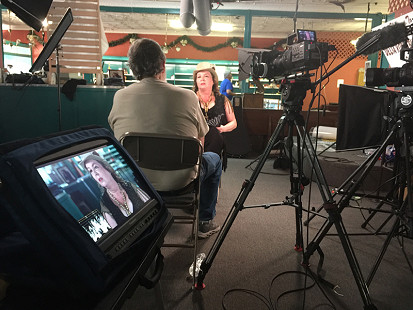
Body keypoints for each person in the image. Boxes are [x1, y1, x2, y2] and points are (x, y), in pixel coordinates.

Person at [108, 38, 222, 238]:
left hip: (137, 182)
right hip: (181, 181)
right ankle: (205, 221)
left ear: (132, 67)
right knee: (215, 160)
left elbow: (117, 138)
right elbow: (200, 143)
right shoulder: (188, 97)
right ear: (162, 65)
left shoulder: (120, 96)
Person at [82, 152, 150, 228]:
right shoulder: (104, 203)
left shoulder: (129, 186)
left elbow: (152, 207)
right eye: (90, 171)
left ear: (107, 168)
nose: (95, 173)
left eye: (95, 167)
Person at [193, 62, 237, 170]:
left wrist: (223, 128)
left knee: (213, 133)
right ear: (196, 81)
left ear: (213, 81)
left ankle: (204, 170)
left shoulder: (222, 99)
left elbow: (233, 122)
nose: (202, 79)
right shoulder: (190, 98)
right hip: (194, 138)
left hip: (215, 138)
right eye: (199, 77)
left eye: (206, 76)